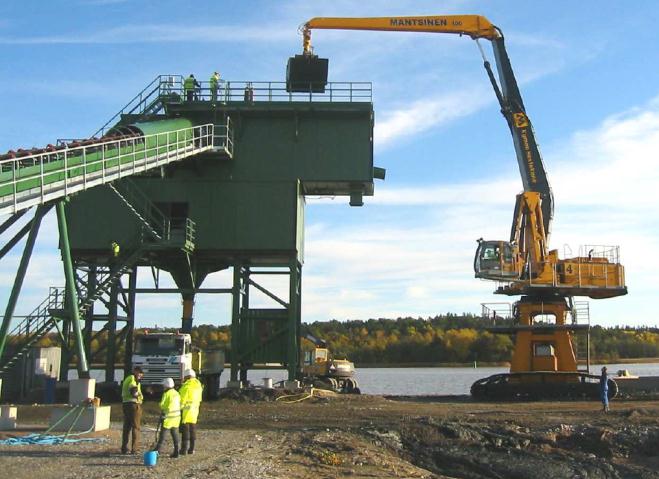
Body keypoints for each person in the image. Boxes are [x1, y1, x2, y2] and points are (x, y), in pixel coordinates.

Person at [154, 377, 181, 458]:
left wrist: (160, 406)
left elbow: (162, 405)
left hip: (168, 418)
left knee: (162, 436)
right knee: (175, 435)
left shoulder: (166, 394)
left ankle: (157, 451)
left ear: (166, 386)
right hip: (176, 418)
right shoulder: (177, 393)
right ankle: (176, 451)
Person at [178, 369, 204, 455]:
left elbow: (182, 400)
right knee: (193, 430)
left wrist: (178, 408)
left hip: (186, 412)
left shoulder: (186, 387)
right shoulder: (198, 386)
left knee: (185, 431)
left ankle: (184, 449)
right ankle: (192, 449)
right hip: (195, 411)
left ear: (187, 377)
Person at [121, 366, 143, 454]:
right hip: (133, 405)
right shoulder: (132, 379)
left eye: (141, 373)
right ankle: (135, 449)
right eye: (139, 373)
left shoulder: (128, 379)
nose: (140, 375)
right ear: (135, 372)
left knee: (127, 427)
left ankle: (124, 448)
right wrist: (139, 396)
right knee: (136, 427)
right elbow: (133, 391)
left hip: (126, 404)